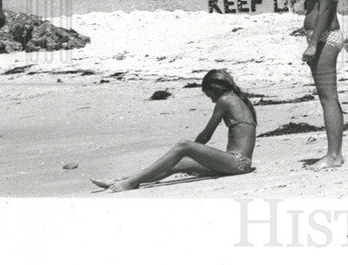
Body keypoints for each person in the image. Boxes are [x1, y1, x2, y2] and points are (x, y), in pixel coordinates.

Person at [91, 70, 256, 192]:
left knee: (183, 145)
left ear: (215, 88)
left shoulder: (225, 100)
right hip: (238, 163)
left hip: (237, 163)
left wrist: (192, 150)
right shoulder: (239, 100)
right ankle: (123, 179)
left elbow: (206, 134)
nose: (210, 99)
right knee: (179, 163)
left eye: (209, 95)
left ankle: (130, 182)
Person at [298, 0, 345, 169]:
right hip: (322, 35)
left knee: (328, 98)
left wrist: (314, 42)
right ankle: (334, 152)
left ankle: (334, 155)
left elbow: (327, 8)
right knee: (328, 97)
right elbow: (319, 6)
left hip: (325, 38)